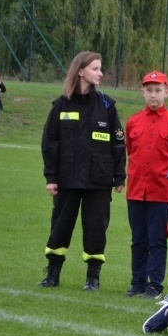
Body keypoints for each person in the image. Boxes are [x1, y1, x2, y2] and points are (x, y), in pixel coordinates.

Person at [38, 51, 126, 290]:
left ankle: (92, 278)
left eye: (100, 68)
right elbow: (50, 143)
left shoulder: (107, 105)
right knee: (60, 226)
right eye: (95, 68)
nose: (100, 73)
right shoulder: (61, 105)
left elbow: (118, 143)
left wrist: (119, 176)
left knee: (96, 229)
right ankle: (53, 273)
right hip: (67, 179)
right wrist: (51, 177)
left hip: (98, 180)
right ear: (80, 71)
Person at [124, 71, 168, 299]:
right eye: (149, 90)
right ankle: (137, 282)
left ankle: (154, 284)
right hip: (136, 190)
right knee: (138, 240)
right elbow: (130, 150)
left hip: (162, 191)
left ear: (167, 92)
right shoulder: (133, 121)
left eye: (158, 90)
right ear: (142, 92)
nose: (153, 95)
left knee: (157, 240)